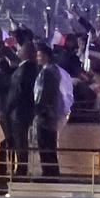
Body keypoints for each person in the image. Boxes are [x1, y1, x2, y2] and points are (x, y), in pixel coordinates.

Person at [30, 43, 72, 180]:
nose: (37, 58)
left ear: (46, 56)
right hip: (50, 114)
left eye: (39, 55)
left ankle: (49, 173)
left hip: (46, 115)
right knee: (49, 145)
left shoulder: (48, 72)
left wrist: (38, 109)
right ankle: (51, 172)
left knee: (46, 145)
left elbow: (44, 94)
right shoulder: (51, 71)